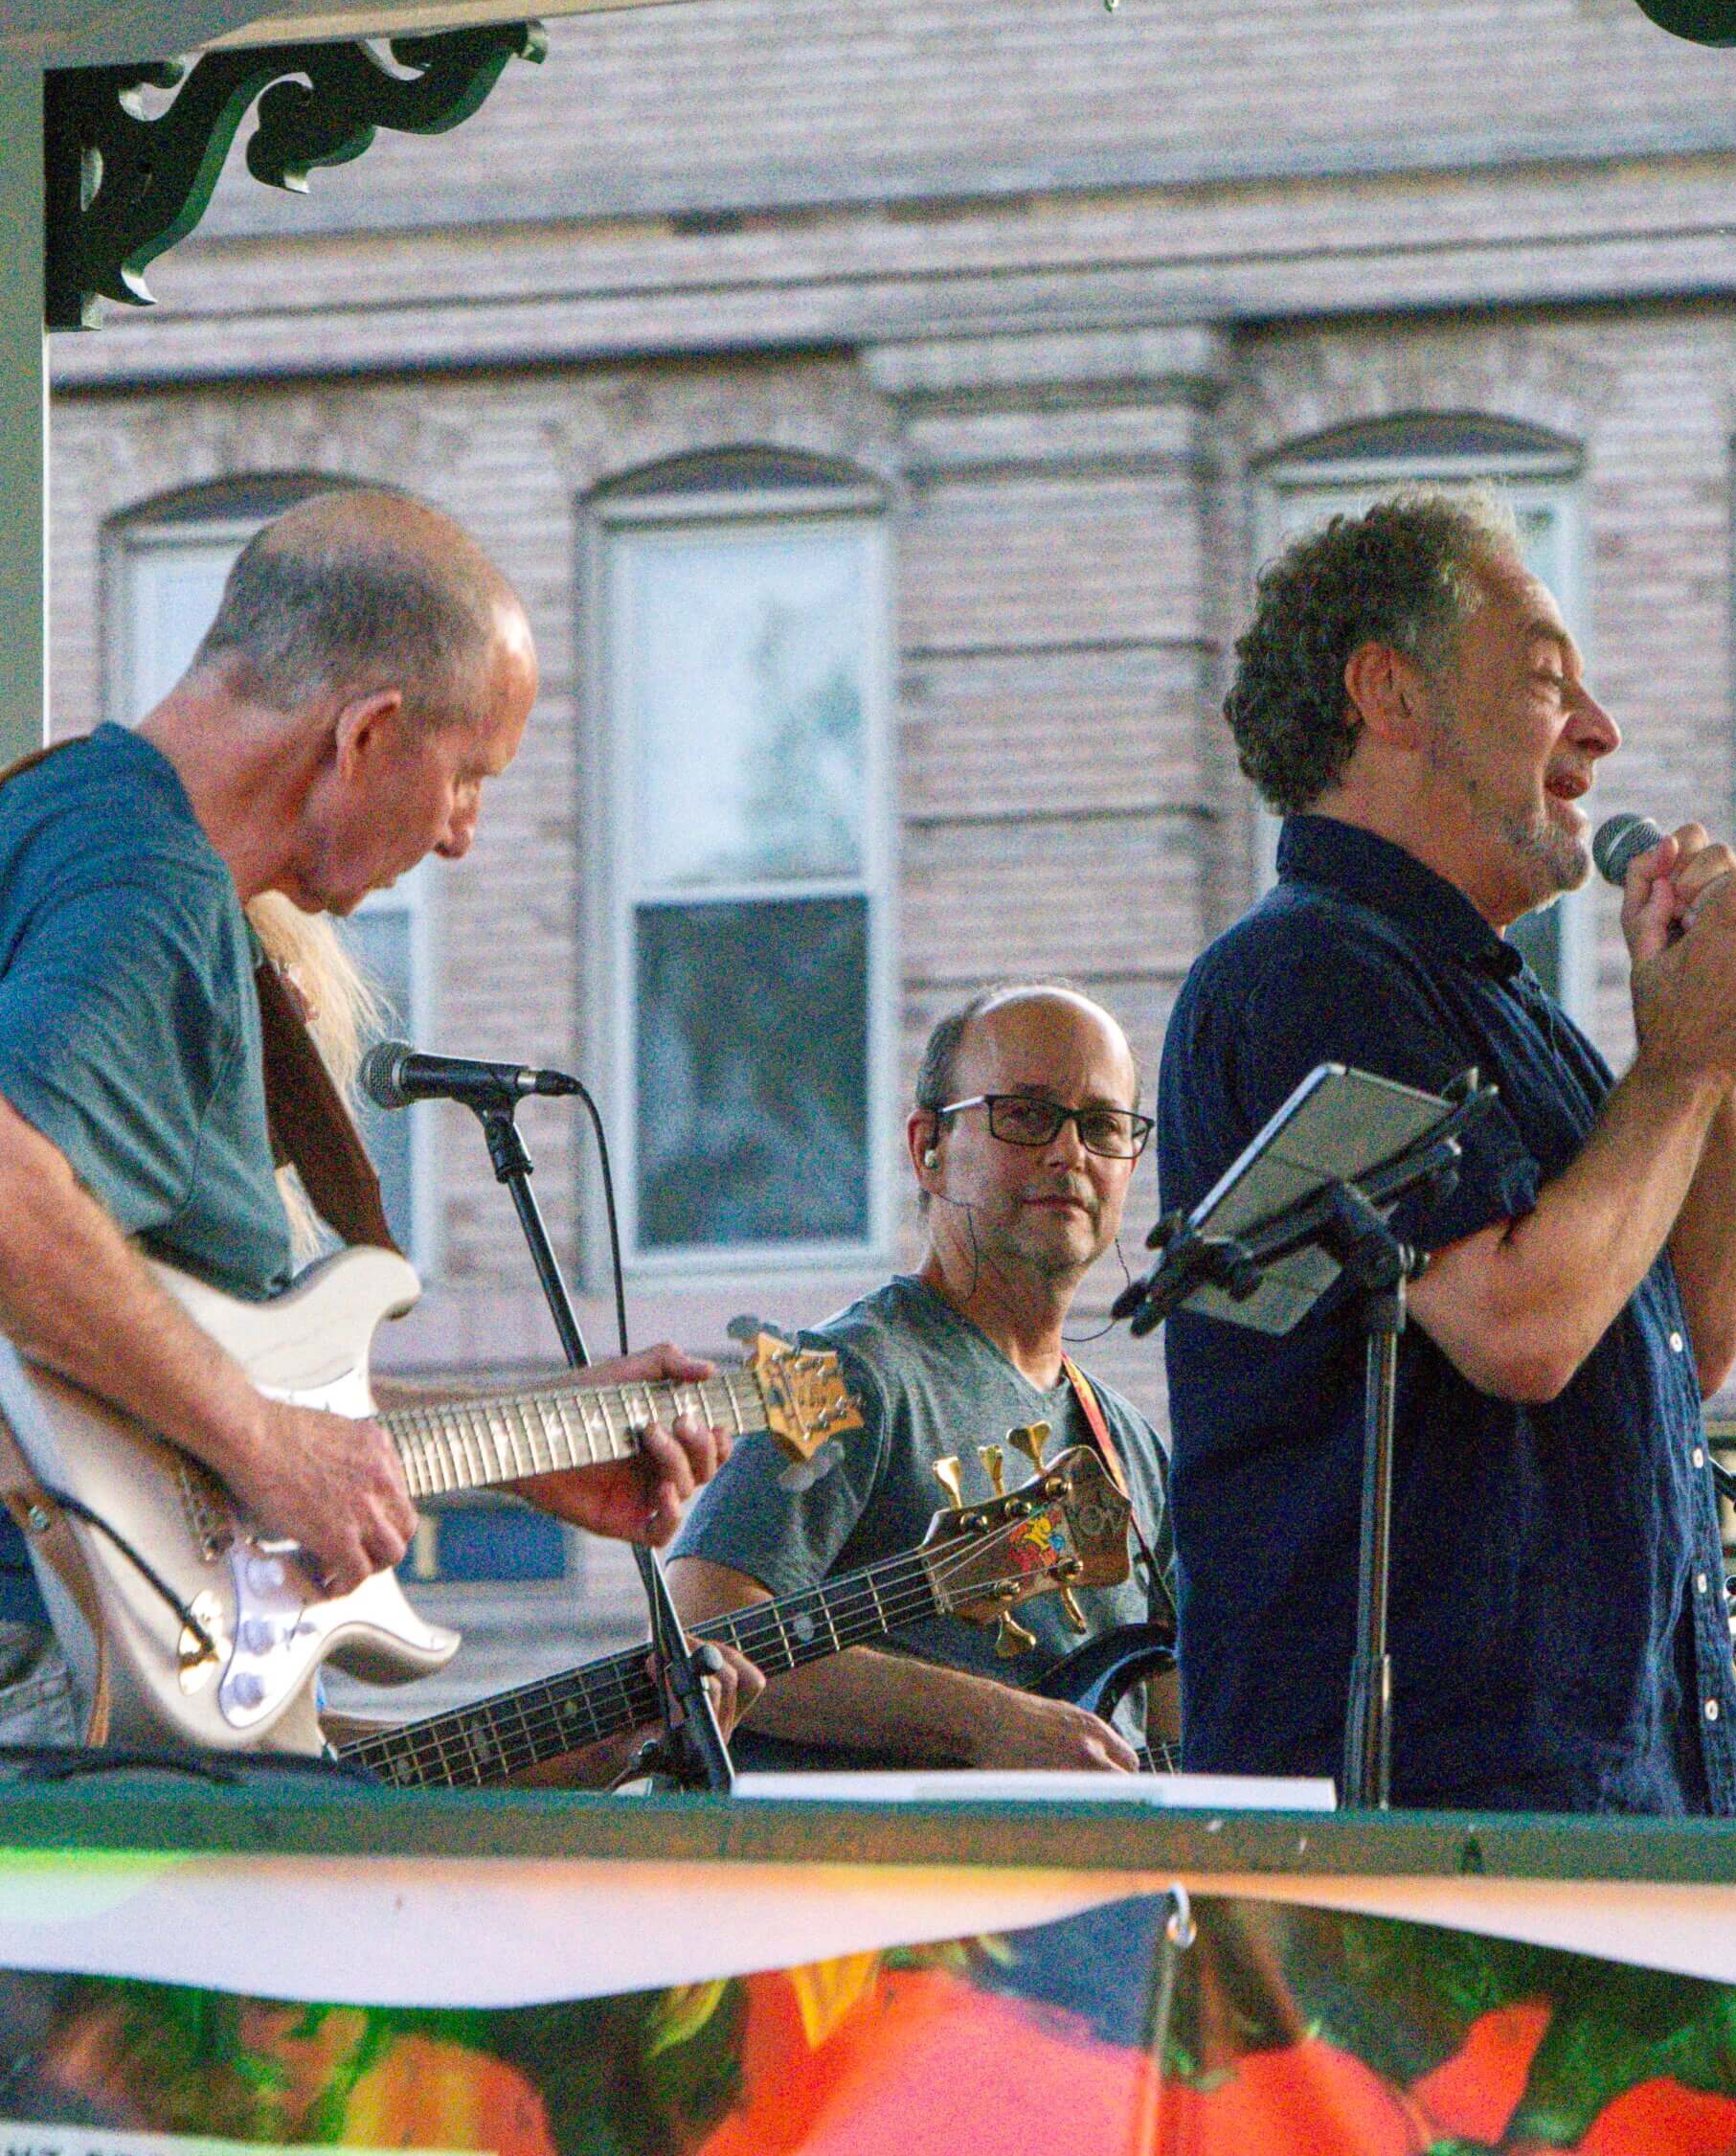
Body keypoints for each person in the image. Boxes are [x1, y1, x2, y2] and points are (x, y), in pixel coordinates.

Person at [0, 490, 733, 1748]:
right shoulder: (147, 891)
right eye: (468, 777)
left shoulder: (74, 823)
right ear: (369, 733)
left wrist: (508, 1445)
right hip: (53, 1665)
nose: (460, 836)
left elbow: (143, 1388)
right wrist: (262, 1442)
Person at [1158, 487, 1736, 1814]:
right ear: (1391, 694)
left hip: (1605, 1803)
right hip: (1430, 1823)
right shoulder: (1310, 969)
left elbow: (1693, 1339)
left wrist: (1701, 1063)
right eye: (1544, 680)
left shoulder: (1513, 1014)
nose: (1597, 730)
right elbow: (1520, 1327)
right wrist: (1680, 1064)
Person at [668, 985, 1176, 1772]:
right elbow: (701, 1628)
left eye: (1103, 1126)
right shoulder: (836, 1371)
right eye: (1026, 1115)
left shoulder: (1132, 1446)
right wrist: (986, 1722)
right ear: (927, 1147)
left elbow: (1176, 1725)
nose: (1070, 1153)